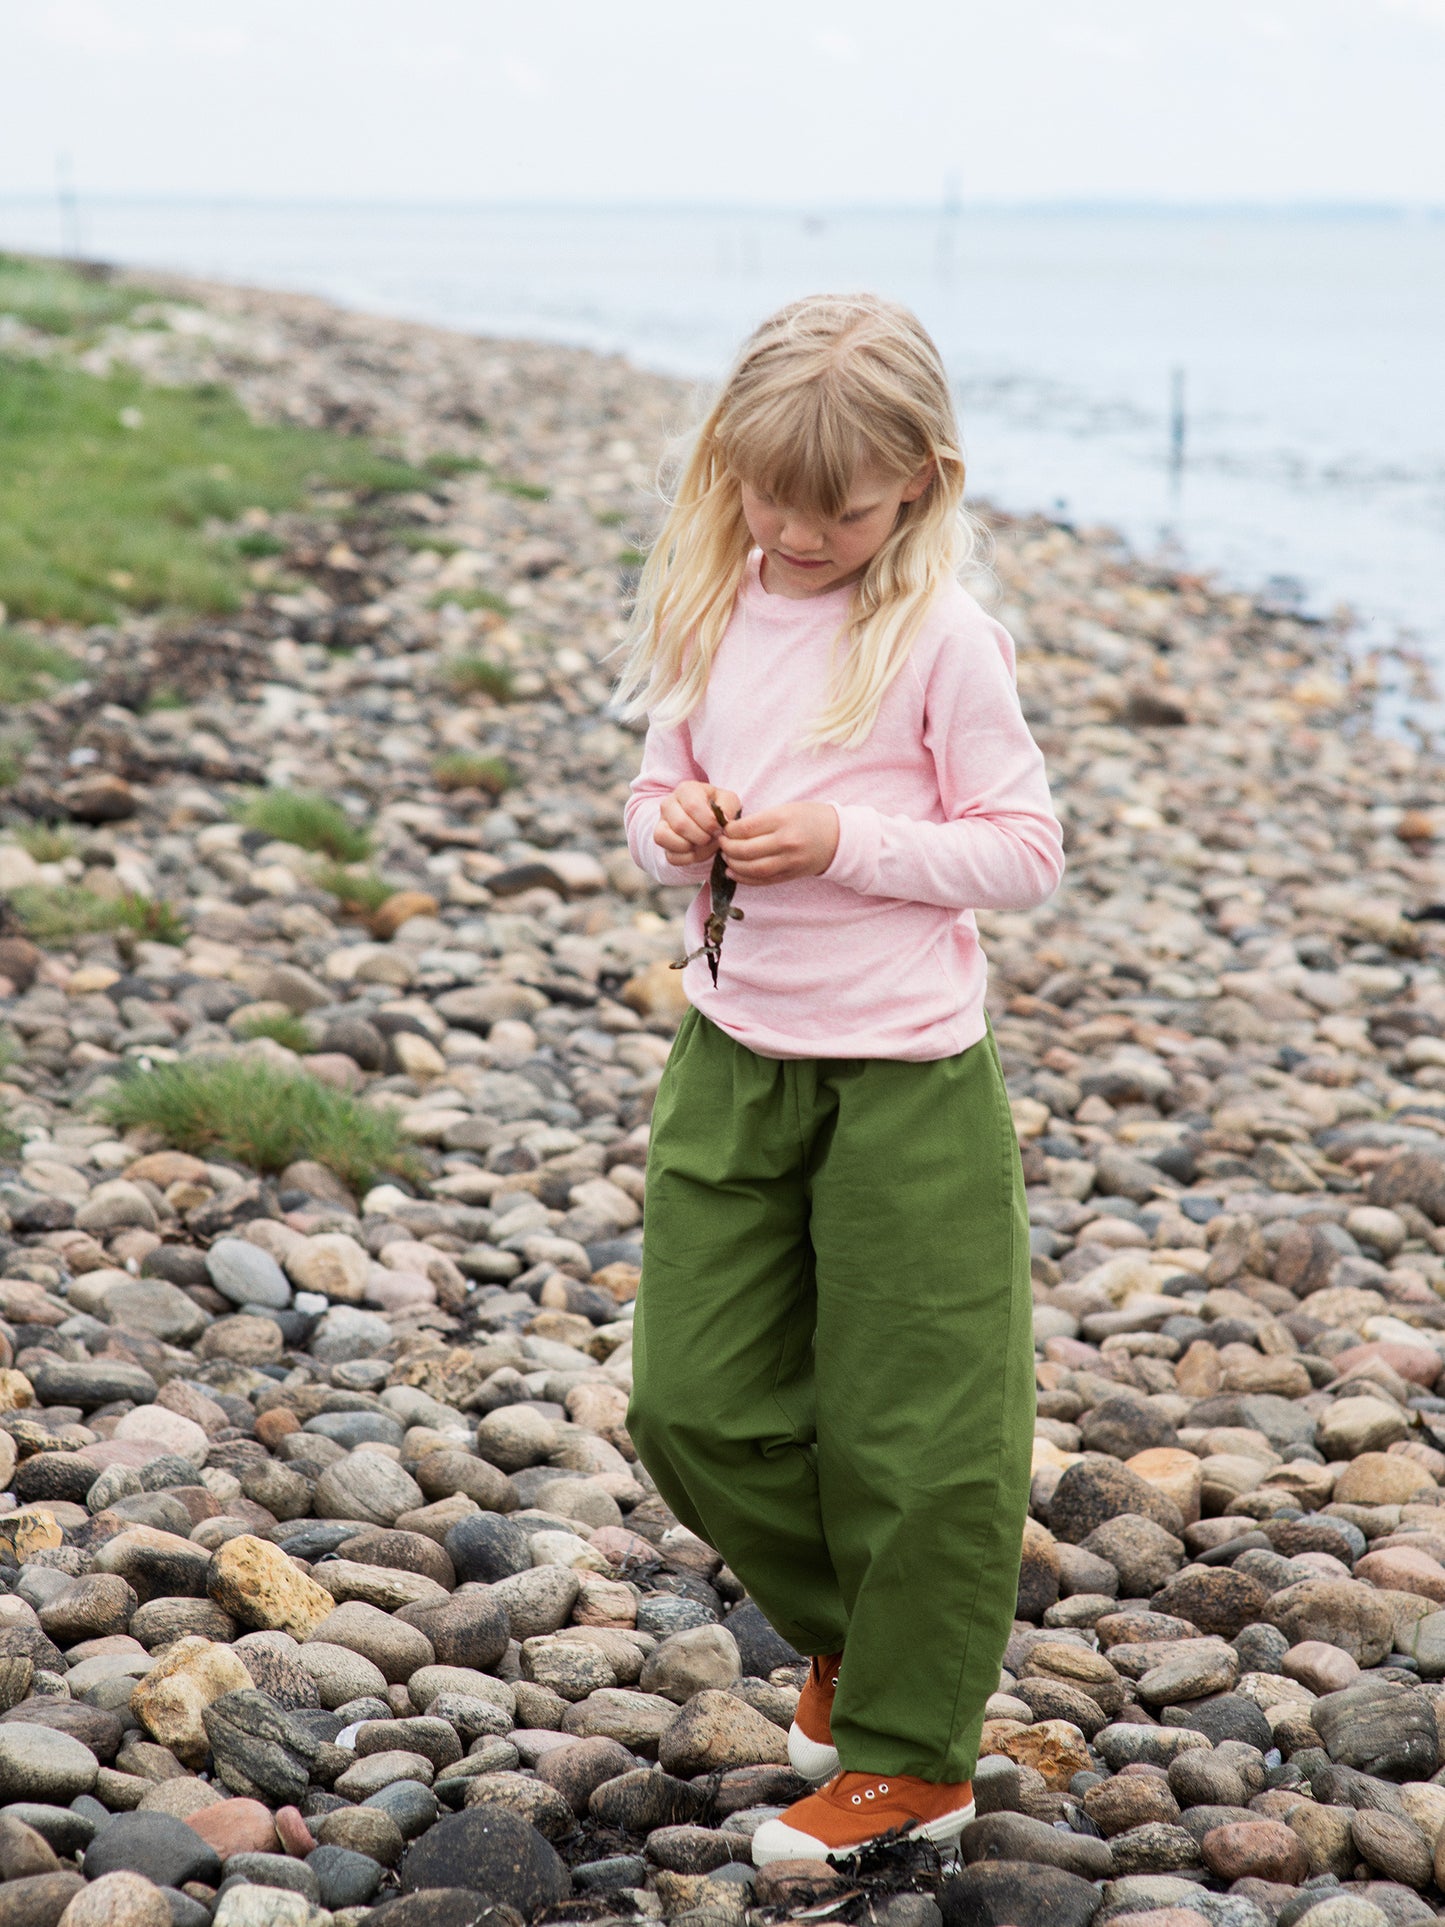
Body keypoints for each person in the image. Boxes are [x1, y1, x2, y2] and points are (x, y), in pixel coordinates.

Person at [613, 292, 1063, 1864]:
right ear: (725, 467)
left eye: (841, 510)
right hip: (734, 1053)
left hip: (907, 1083)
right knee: (688, 1404)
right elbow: (662, 777)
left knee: (919, 1431)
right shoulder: (713, 601)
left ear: (921, 487)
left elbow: (1022, 851)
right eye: (769, 496)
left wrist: (846, 845)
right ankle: (861, 1636)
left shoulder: (941, 638)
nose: (799, 535)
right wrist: (663, 822)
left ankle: (910, 1754)